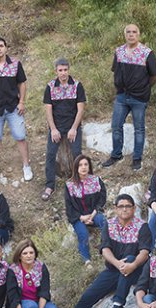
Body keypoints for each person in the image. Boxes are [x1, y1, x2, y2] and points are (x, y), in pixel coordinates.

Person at [63, 193, 152, 308]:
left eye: (128, 206)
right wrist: (117, 264)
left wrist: (133, 264)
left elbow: (144, 252)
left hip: (136, 270)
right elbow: (105, 249)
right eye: (121, 206)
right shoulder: (109, 225)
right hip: (113, 269)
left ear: (134, 208)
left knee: (129, 259)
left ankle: (118, 304)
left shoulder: (142, 227)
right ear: (116, 209)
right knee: (88, 296)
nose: (124, 209)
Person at [101, 24, 156, 171]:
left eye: (134, 32)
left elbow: (154, 76)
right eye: (128, 32)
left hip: (139, 97)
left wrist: (144, 88)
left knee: (139, 129)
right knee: (116, 126)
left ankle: (137, 158)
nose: (131, 34)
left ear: (139, 34)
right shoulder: (119, 52)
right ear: (124, 34)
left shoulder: (147, 53)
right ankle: (116, 154)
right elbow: (115, 71)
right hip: (122, 96)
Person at [0, 37, 33, 181]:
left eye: (1, 45)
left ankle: (26, 166)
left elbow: (22, 83)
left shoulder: (15, 64)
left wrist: (21, 102)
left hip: (14, 108)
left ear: (6, 48)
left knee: (20, 137)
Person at [42, 58, 86, 201]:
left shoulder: (77, 86)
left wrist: (74, 128)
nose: (63, 73)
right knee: (50, 154)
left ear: (69, 70)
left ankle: (78, 182)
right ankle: (50, 186)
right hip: (56, 127)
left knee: (77, 153)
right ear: (56, 71)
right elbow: (48, 110)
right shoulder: (50, 87)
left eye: (65, 70)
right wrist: (53, 129)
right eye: (60, 70)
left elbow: (80, 110)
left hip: (73, 126)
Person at [64, 155, 107, 265]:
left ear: (89, 166)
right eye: (80, 165)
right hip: (78, 217)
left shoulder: (96, 181)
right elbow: (69, 207)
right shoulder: (70, 185)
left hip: (94, 214)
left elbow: (102, 199)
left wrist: (92, 215)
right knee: (83, 234)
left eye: (86, 164)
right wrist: (81, 217)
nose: (83, 167)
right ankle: (86, 260)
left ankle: (106, 249)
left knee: (104, 222)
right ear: (76, 168)